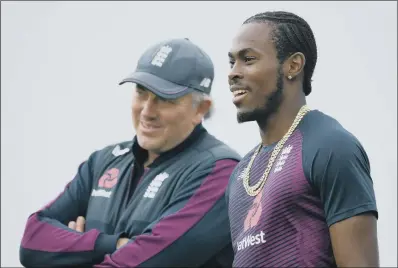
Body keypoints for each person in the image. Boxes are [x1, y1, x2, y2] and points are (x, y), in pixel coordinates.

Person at [19, 38, 241, 268]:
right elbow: (32, 241)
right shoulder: (103, 161)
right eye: (141, 92)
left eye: (165, 99)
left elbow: (145, 263)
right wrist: (112, 245)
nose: (147, 111)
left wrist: (71, 251)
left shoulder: (222, 172)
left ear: (200, 110)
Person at [226, 11, 379, 267]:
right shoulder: (239, 173)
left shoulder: (330, 147)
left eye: (248, 59)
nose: (233, 73)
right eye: (231, 63)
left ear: (293, 65)